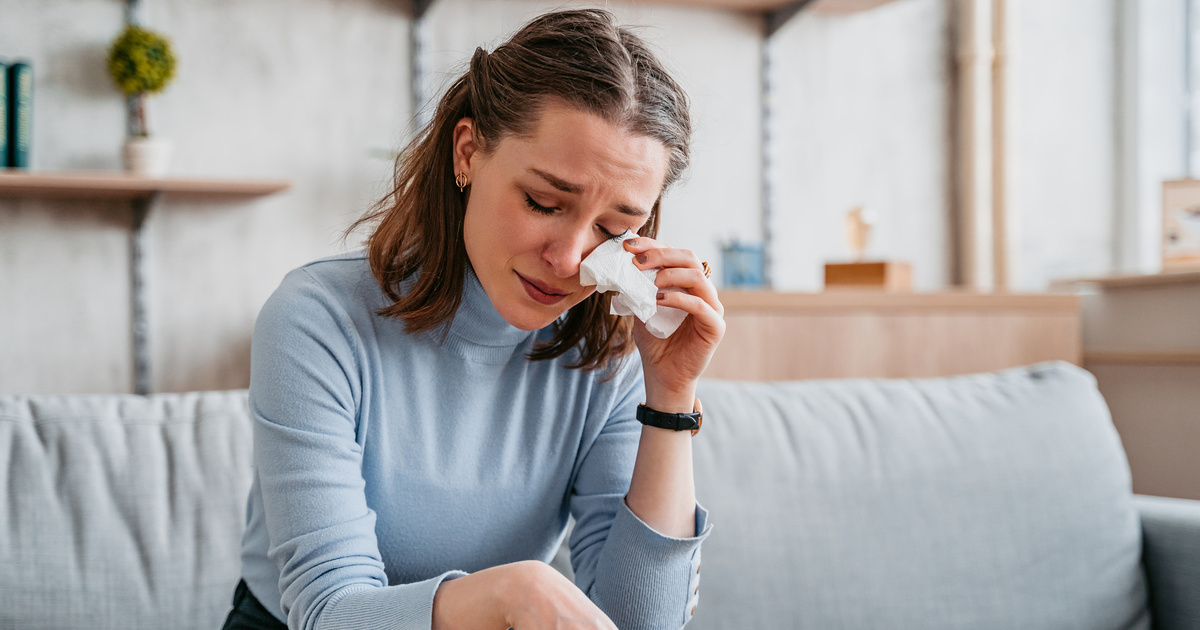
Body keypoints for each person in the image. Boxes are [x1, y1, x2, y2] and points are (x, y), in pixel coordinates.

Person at [222, 8, 724, 630]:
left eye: (613, 229)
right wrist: (512, 594)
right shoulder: (318, 321)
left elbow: (641, 622)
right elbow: (328, 613)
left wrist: (672, 397)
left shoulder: (609, 358)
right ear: (468, 153)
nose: (569, 260)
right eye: (543, 201)